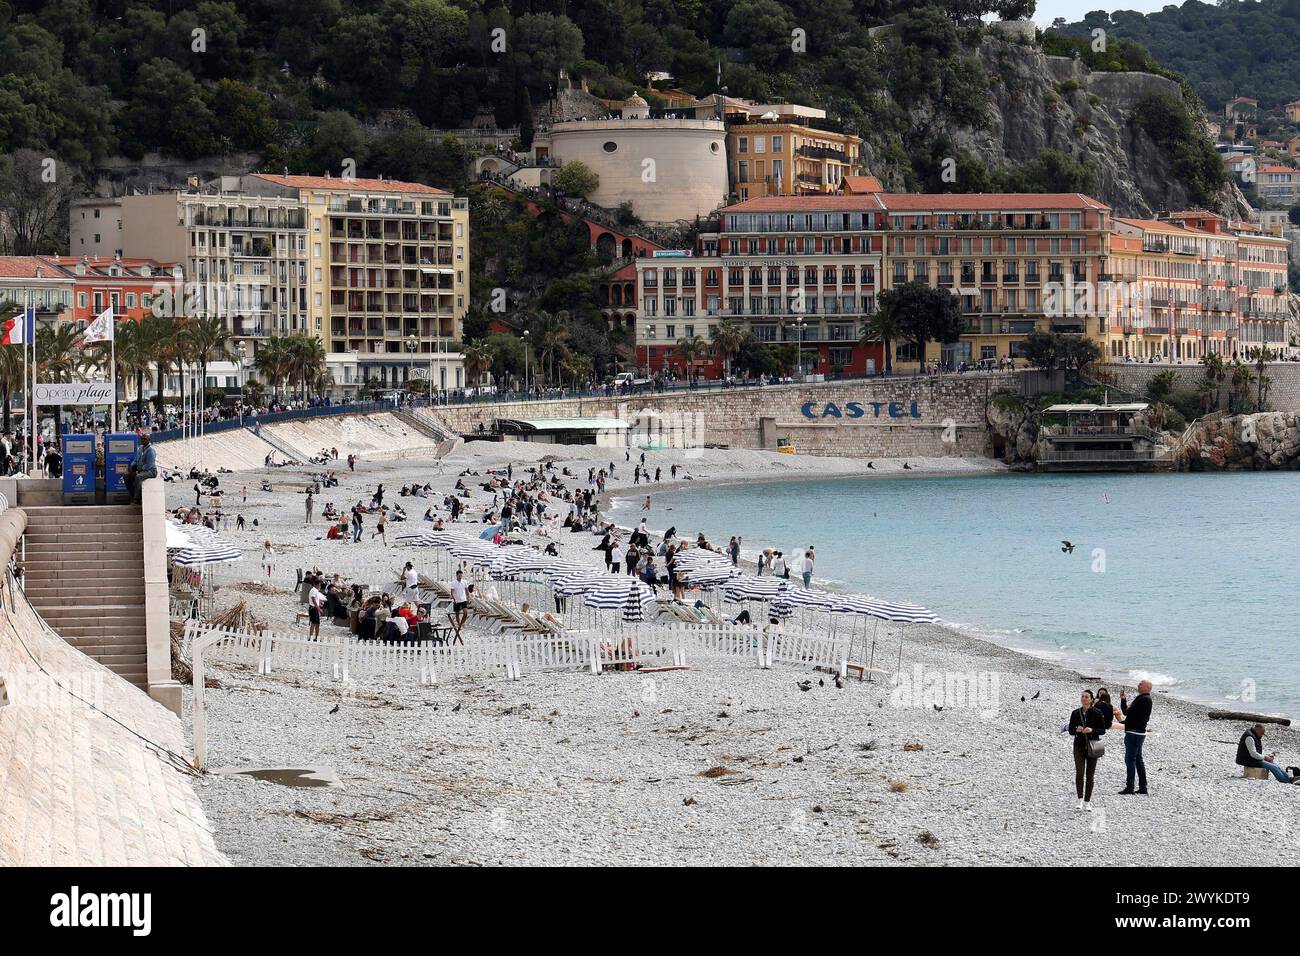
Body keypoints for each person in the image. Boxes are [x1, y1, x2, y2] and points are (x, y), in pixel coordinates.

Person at [1069, 689, 1106, 811]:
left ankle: (1087, 801)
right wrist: (1077, 730)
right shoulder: (1075, 713)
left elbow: (1103, 730)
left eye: (1086, 697)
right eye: (1082, 696)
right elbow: (1070, 730)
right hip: (1079, 745)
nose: (1084, 699)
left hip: (1092, 745)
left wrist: (1091, 730)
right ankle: (1079, 799)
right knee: (1079, 772)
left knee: (1090, 774)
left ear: (1091, 699)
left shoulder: (1097, 712)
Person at [1117, 680, 1153, 795]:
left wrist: (1124, 702)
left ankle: (1130, 786)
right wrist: (1123, 699)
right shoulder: (1143, 699)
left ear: (1148, 687)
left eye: (1141, 684)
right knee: (1138, 760)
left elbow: (1127, 712)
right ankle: (1143, 787)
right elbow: (1128, 712)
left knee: (1130, 759)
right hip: (1138, 732)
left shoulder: (1144, 699)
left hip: (1135, 733)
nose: (1138, 685)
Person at [128, 433, 157, 504]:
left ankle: (137, 498)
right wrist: (132, 466)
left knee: (138, 477)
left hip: (150, 471)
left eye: (145, 439)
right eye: (142, 439)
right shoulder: (140, 448)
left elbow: (149, 465)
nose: (143, 440)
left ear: (149, 440)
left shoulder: (151, 450)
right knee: (126, 476)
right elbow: (136, 459)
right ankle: (133, 494)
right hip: (141, 470)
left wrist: (139, 470)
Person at [448, 569, 469, 643]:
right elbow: (452, 592)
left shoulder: (464, 582)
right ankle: (459, 625)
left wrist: (468, 598)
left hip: (463, 600)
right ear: (456, 575)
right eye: (459, 575)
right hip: (456, 600)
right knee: (457, 614)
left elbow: (466, 590)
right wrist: (454, 600)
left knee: (465, 613)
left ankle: (461, 624)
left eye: (461, 575)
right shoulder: (453, 583)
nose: (460, 576)